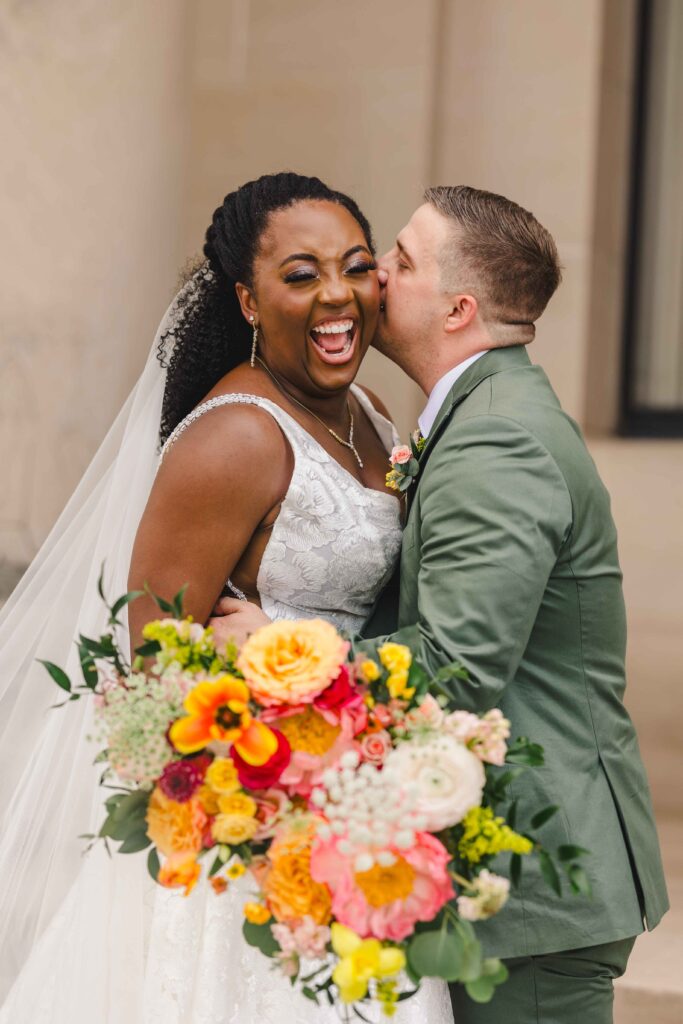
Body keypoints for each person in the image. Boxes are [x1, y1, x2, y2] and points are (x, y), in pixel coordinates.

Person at [0, 173, 452, 1023]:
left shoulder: (371, 412)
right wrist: (280, 714)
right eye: (299, 274)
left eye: (356, 267)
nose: (336, 295)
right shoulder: (236, 438)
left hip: (353, 806)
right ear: (247, 299)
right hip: (251, 832)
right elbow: (153, 668)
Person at [214, 185, 670, 1024]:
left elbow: (454, 671)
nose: (373, 278)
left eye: (399, 259)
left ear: (457, 308)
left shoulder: (496, 438)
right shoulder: (473, 415)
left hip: (531, 891)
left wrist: (274, 642)